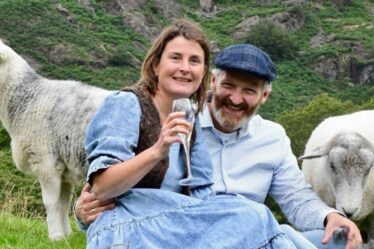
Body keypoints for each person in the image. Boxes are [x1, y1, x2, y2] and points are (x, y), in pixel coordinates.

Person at [75, 41, 362, 248]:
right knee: (256, 217)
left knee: (337, 241)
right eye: (229, 86)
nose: (236, 99)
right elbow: (122, 181)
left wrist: (330, 217)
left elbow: (296, 196)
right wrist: (83, 209)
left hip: (252, 237)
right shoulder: (181, 122)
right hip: (191, 235)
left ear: (264, 97)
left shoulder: (273, 137)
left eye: (249, 91)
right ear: (213, 81)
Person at [81, 19, 298, 249]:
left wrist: (232, 216)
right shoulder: (126, 104)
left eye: (194, 61)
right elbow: (102, 187)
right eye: (176, 58)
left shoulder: (187, 116)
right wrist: (157, 150)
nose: (185, 67)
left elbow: (202, 191)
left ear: (203, 73)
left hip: (173, 225)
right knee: (256, 218)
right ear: (156, 65)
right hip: (129, 224)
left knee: (255, 216)